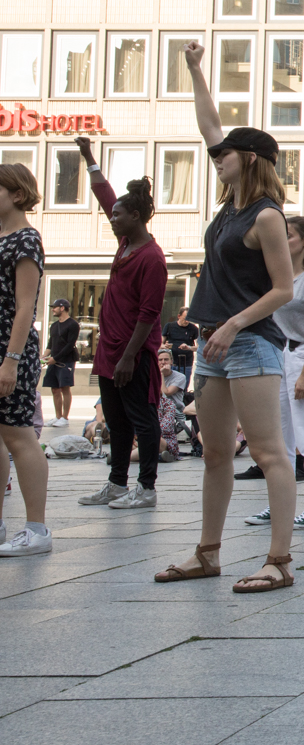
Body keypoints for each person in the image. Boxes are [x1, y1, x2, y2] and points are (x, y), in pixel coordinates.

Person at [154, 42, 297, 591]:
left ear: (252, 159)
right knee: (214, 452)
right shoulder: (228, 208)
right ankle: (208, 553)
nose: (216, 156)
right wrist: (194, 68)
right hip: (213, 344)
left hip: (250, 342)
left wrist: (235, 323)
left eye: (226, 154)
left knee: (266, 452)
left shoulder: (266, 216)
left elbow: (284, 289)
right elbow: (210, 123)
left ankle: (280, 561)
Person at [62, 138, 167, 512]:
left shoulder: (152, 258)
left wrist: (128, 357)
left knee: (142, 418)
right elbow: (106, 195)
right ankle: (116, 483)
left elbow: (148, 314)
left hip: (131, 354)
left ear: (136, 217)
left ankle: (147, 488)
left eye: (118, 216)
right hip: (110, 352)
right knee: (117, 421)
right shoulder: (125, 242)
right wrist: (89, 158)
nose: (112, 218)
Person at [246, 215, 304, 528]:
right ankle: (280, 504)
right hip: (280, 357)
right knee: (279, 441)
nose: (284, 240)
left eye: (290, 235)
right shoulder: (279, 279)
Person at [0, 165, 50, 557]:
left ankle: (36, 529)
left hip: (10, 349)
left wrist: (11, 361)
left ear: (17, 194)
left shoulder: (26, 240)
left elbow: (24, 307)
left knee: (19, 435)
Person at [44, 297, 78, 428]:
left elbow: (70, 345)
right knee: (54, 389)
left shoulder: (72, 324)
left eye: (55, 307)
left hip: (66, 361)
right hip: (53, 361)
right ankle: (57, 416)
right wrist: (44, 356)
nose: (53, 309)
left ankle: (65, 417)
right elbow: (50, 344)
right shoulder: (54, 325)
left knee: (65, 388)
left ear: (62, 308)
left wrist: (55, 358)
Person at [162, 305, 199, 381]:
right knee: (169, 384)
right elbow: (159, 344)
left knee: (184, 387)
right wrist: (165, 346)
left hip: (186, 363)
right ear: (179, 316)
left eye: (189, 319)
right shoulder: (169, 326)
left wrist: (189, 347)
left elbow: (199, 347)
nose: (187, 321)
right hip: (171, 363)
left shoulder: (194, 328)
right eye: (185, 318)